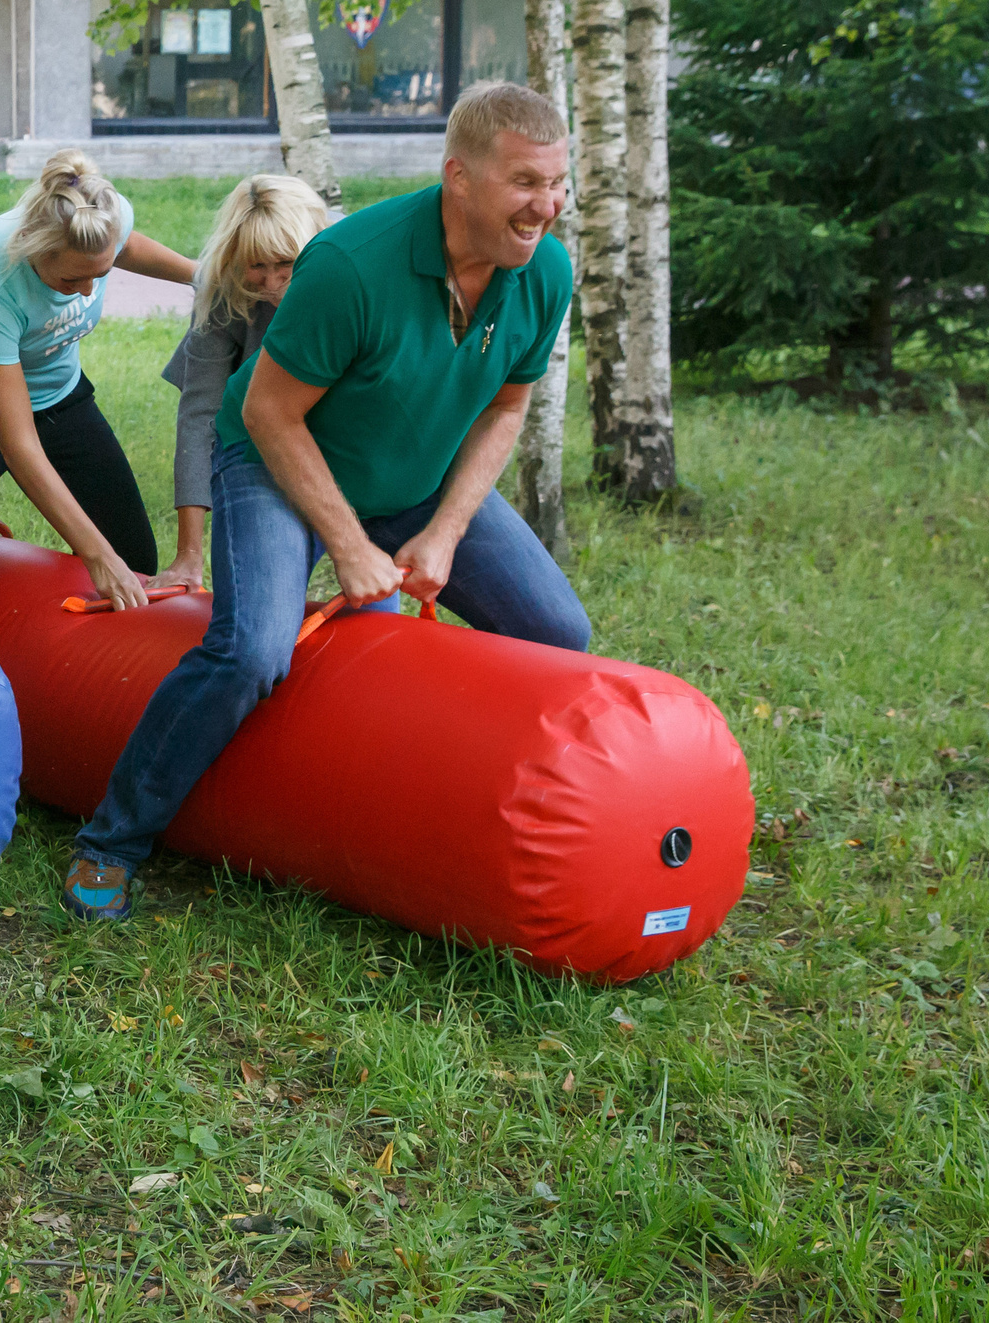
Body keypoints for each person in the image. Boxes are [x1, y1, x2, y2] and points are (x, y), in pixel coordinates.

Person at [60, 81, 593, 923]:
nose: (547, 205)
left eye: (558, 182)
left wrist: (445, 532)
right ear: (458, 176)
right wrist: (349, 544)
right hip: (275, 464)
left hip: (414, 475)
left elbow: (506, 408)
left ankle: (506, 828)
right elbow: (268, 412)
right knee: (250, 652)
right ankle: (113, 840)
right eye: (526, 182)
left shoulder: (544, 270)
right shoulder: (351, 265)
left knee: (561, 635)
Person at [0, 151, 196, 612]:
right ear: (37, 251)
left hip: (58, 394)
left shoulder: (101, 214)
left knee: (133, 558)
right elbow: (19, 445)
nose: (88, 291)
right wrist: (96, 557)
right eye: (73, 279)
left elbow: (127, 247)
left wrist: (201, 275)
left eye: (100, 274)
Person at [152, 175, 330, 590]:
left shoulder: (349, 273)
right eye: (257, 266)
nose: (272, 283)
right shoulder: (223, 288)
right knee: (265, 588)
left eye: (284, 264)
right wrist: (188, 555)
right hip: (254, 438)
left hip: (345, 441)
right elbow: (200, 416)